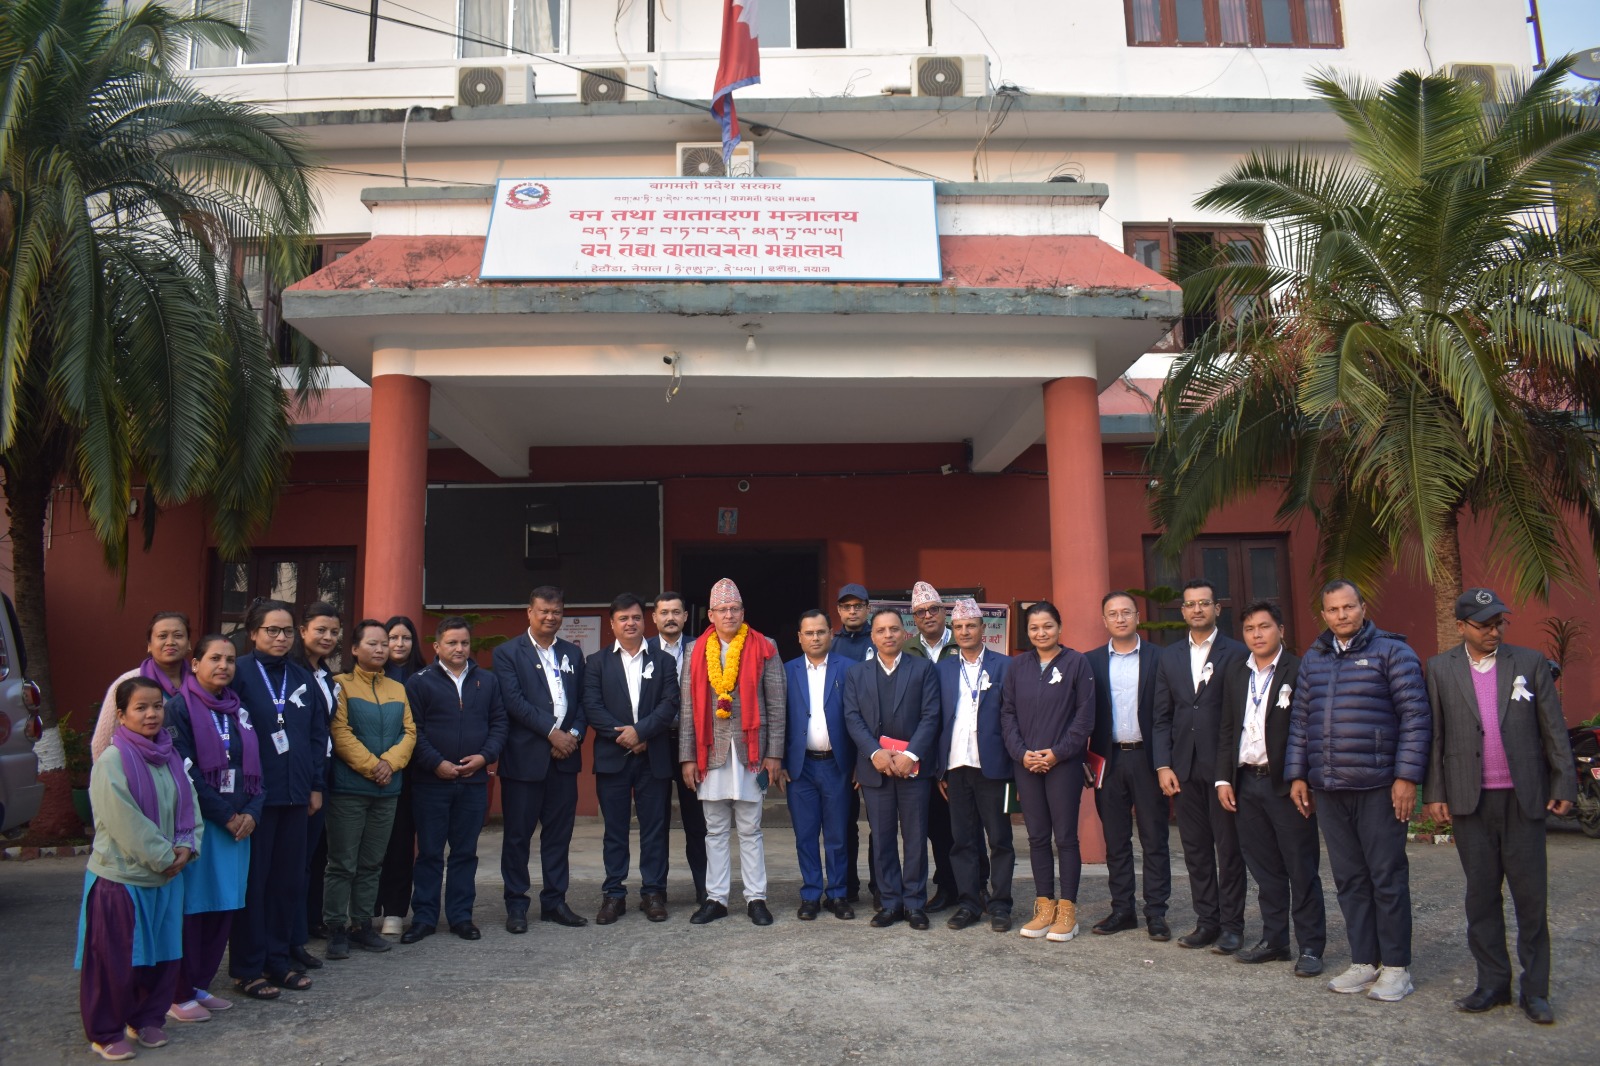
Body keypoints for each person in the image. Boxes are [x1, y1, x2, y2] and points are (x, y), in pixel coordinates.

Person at [1423, 588, 1576, 1024]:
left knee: (1531, 899)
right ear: (1461, 627)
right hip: (1470, 800)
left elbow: (1553, 729)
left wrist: (1563, 780)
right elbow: (1436, 736)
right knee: (1481, 897)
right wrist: (1435, 793)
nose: (1494, 631)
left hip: (1522, 798)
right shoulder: (1440, 669)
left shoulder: (1528, 663)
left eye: (1498, 623)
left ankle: (1536, 991)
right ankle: (1492, 983)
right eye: (1484, 625)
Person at [1285, 579, 1430, 1003]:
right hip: (1330, 787)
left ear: (1363, 608)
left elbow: (1416, 717)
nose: (1342, 615)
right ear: (1324, 615)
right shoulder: (1314, 659)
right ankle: (1365, 960)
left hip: (1379, 786)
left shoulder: (1393, 652)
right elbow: (1300, 722)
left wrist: (1406, 777)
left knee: (1386, 876)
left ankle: (1397, 967)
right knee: (1349, 879)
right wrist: (1298, 775)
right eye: (1333, 610)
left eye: (1348, 607)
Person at [77, 677, 201, 1062]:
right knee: (115, 960)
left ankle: (146, 1018)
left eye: (157, 707)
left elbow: (191, 805)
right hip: (123, 879)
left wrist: (187, 846)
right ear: (121, 715)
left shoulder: (170, 757)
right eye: (141, 708)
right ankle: (106, 1031)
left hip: (167, 877)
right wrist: (166, 857)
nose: (151, 714)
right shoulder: (112, 761)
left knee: (163, 954)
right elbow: (124, 821)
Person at [1214, 600, 1325, 976]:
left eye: (1264, 627)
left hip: (1287, 786)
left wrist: (1302, 777)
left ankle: (1311, 946)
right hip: (1246, 782)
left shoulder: (1300, 668)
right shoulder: (1236, 671)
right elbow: (1227, 727)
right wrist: (1224, 778)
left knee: (1301, 867)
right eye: (1249, 629)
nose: (1256, 634)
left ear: (1281, 630)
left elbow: (1310, 729)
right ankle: (1275, 940)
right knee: (1264, 869)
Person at [228, 598, 323, 1000]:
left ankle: (279, 961)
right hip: (256, 799)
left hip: (296, 795)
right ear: (253, 633)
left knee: (287, 883)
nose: (281, 637)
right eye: (272, 630)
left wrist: (315, 785)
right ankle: (248, 968)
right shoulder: (238, 673)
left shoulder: (302, 677)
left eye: (286, 631)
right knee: (255, 885)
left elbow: (317, 735)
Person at [163, 635, 261, 1023]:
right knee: (195, 909)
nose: (223, 665)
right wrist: (228, 815)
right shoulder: (178, 709)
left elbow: (258, 766)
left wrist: (252, 811)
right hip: (204, 825)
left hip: (238, 827)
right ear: (195, 663)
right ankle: (178, 991)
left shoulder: (239, 709)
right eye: (215, 658)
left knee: (224, 906)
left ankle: (200, 984)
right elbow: (185, 773)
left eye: (230, 660)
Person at [679, 578, 785, 926]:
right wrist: (688, 757)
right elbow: (687, 709)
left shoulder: (764, 646)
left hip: (750, 751)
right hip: (710, 753)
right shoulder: (695, 651)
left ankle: (756, 898)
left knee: (751, 828)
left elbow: (776, 704)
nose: (729, 614)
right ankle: (716, 898)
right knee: (714, 830)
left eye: (734, 608)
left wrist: (774, 753)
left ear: (743, 612)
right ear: (710, 615)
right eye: (722, 609)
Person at [1152, 578, 1248, 954]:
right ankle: (1207, 921)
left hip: (1224, 769)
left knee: (1229, 850)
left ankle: (1233, 926)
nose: (1197, 609)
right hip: (1183, 768)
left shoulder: (1237, 652)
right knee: (1195, 850)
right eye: (1190, 604)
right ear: (1183, 611)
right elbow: (1162, 716)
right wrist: (1163, 765)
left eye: (1204, 603)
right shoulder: (1170, 656)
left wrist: (1230, 770)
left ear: (1216, 609)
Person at [403, 616, 508, 943]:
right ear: (437, 646)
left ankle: (461, 917)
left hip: (474, 782)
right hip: (431, 782)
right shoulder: (419, 682)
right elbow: (413, 730)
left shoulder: (487, 681)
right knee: (430, 853)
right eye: (451, 643)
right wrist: (436, 763)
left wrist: (485, 757)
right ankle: (424, 918)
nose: (459, 648)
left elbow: (499, 723)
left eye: (464, 642)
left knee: (465, 852)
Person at [494, 585, 589, 931]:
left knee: (559, 836)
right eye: (544, 611)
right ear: (530, 612)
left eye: (557, 611)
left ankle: (554, 901)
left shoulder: (573, 653)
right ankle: (516, 904)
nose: (551, 617)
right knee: (518, 836)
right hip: (524, 760)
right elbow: (514, 702)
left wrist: (572, 735)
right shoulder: (508, 653)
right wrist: (553, 733)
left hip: (564, 759)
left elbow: (583, 701)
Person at [582, 593, 682, 924]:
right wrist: (624, 736)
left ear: (645, 621)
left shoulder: (664, 661)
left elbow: (669, 704)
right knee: (615, 829)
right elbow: (592, 706)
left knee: (655, 829)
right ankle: (614, 894)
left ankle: (653, 893)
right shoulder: (596, 662)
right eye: (623, 618)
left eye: (636, 617)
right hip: (613, 757)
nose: (630, 623)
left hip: (653, 756)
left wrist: (640, 732)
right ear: (612, 624)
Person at [1002, 601, 1095, 943]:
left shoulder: (1076, 663)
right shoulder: (1018, 666)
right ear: (1027, 632)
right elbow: (1007, 714)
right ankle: (1044, 907)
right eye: (1034, 628)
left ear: (1059, 627)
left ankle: (1067, 911)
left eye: (1047, 626)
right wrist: (1021, 754)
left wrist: (1056, 753)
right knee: (1037, 837)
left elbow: (1084, 717)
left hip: (1064, 765)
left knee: (1065, 837)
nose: (1041, 633)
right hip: (1026, 764)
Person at [323, 620, 416, 959]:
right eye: (372, 643)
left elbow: (409, 733)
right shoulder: (341, 685)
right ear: (354, 649)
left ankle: (362, 924)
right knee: (342, 863)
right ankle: (335, 927)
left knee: (372, 862)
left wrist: (389, 763)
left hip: (387, 791)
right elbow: (340, 732)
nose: (380, 649)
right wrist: (372, 765)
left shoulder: (397, 688)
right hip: (349, 789)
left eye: (383, 644)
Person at [844, 606, 940, 930]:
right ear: (872, 637)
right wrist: (875, 752)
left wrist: (911, 754)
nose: (888, 635)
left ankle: (914, 903)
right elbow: (852, 718)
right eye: (881, 630)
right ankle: (890, 902)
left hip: (913, 769)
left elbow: (931, 716)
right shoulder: (857, 674)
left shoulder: (923, 669)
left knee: (915, 837)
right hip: (876, 769)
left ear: (905, 633)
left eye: (894, 629)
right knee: (882, 837)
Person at [1085, 592, 1171, 941]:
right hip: (1109, 759)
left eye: (1126, 612)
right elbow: (1081, 715)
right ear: (1104, 620)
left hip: (1148, 759)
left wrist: (1166, 762)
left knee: (1154, 838)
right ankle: (1123, 909)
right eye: (1113, 614)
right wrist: (1083, 759)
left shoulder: (1160, 658)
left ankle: (1156, 912)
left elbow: (1169, 713)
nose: (1120, 619)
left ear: (1137, 616)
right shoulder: (1090, 662)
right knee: (1116, 839)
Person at [936, 599, 1014, 932]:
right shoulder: (942, 670)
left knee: (1000, 839)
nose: (965, 631)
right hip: (956, 766)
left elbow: (1014, 717)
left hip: (993, 767)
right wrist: (939, 769)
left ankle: (1001, 905)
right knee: (962, 840)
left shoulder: (1005, 666)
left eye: (971, 625)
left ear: (983, 628)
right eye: (959, 627)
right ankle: (969, 903)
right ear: (953, 631)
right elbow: (935, 719)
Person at [780, 609, 856, 921]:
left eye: (821, 632)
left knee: (837, 835)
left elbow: (859, 718)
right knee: (806, 835)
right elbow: (778, 719)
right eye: (809, 633)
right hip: (800, 768)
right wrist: (779, 761)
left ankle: (837, 894)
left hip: (837, 765)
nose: (815, 638)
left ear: (831, 634)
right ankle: (810, 894)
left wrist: (859, 763)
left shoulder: (848, 669)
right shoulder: (787, 671)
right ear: (799, 638)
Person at [900, 580, 965, 913]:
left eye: (934, 609)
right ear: (914, 618)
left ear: (944, 612)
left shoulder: (963, 641)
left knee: (967, 824)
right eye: (921, 612)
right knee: (936, 826)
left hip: (961, 747)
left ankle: (975, 886)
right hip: (922, 751)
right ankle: (947, 886)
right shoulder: (906, 649)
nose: (928, 616)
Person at [648, 592, 707, 906]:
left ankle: (706, 889)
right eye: (664, 612)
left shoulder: (702, 648)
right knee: (656, 822)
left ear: (686, 617)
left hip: (693, 744)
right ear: (654, 618)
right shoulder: (643, 649)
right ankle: (656, 891)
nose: (670, 618)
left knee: (697, 822)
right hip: (655, 742)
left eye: (676, 612)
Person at [292, 603, 341, 966]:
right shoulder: (291, 672)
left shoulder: (326, 675)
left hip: (323, 770)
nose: (327, 637)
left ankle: (308, 923)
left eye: (334, 632)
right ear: (303, 630)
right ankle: (292, 936)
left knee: (314, 856)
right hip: (299, 774)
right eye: (320, 630)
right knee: (296, 862)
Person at [375, 615, 425, 936]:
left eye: (405, 638)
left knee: (400, 842)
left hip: (410, 771)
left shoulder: (424, 675)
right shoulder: (366, 675)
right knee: (369, 842)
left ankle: (395, 909)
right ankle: (365, 909)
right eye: (392, 637)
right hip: (370, 769)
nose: (398, 644)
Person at [91, 613, 193, 761]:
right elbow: (101, 744)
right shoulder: (128, 682)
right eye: (162, 636)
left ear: (189, 643)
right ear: (149, 645)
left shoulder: (200, 684)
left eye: (178, 636)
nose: (170, 642)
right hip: (139, 769)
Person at [831, 582, 874, 907]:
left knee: (880, 824)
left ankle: (882, 888)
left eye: (858, 605)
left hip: (876, 746)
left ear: (867, 608)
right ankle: (846, 886)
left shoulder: (880, 639)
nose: (852, 611)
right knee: (844, 824)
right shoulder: (832, 644)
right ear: (839, 611)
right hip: (842, 749)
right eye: (846, 607)